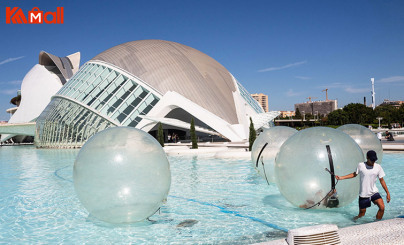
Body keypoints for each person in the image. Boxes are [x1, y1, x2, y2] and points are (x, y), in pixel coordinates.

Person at [336, 150, 390, 220]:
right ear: (367, 157)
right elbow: (354, 174)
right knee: (361, 214)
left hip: (374, 192)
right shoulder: (361, 165)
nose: (373, 161)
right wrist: (341, 177)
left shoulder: (378, 167)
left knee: (382, 207)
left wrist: (387, 193)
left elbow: (382, 180)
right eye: (371, 160)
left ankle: (377, 223)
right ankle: (353, 221)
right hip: (364, 194)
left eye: (374, 160)